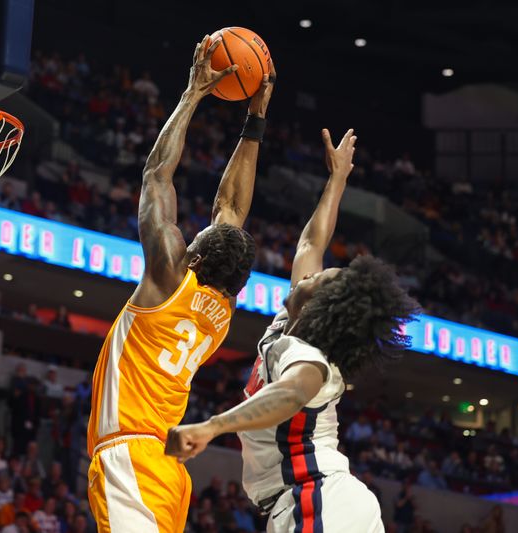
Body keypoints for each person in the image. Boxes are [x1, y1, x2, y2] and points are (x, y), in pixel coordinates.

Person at [166, 129, 421, 533]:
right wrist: (338, 179)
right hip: (314, 503)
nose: (315, 273)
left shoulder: (310, 357)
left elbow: (291, 392)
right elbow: (309, 243)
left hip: (317, 498)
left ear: (325, 308)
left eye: (326, 278)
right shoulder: (290, 326)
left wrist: (212, 426)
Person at [86, 35, 273, 533]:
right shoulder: (221, 311)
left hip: (131, 454)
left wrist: (193, 94)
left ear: (193, 254)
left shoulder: (170, 279)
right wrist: (253, 123)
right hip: (169, 472)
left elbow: (155, 177)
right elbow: (232, 211)